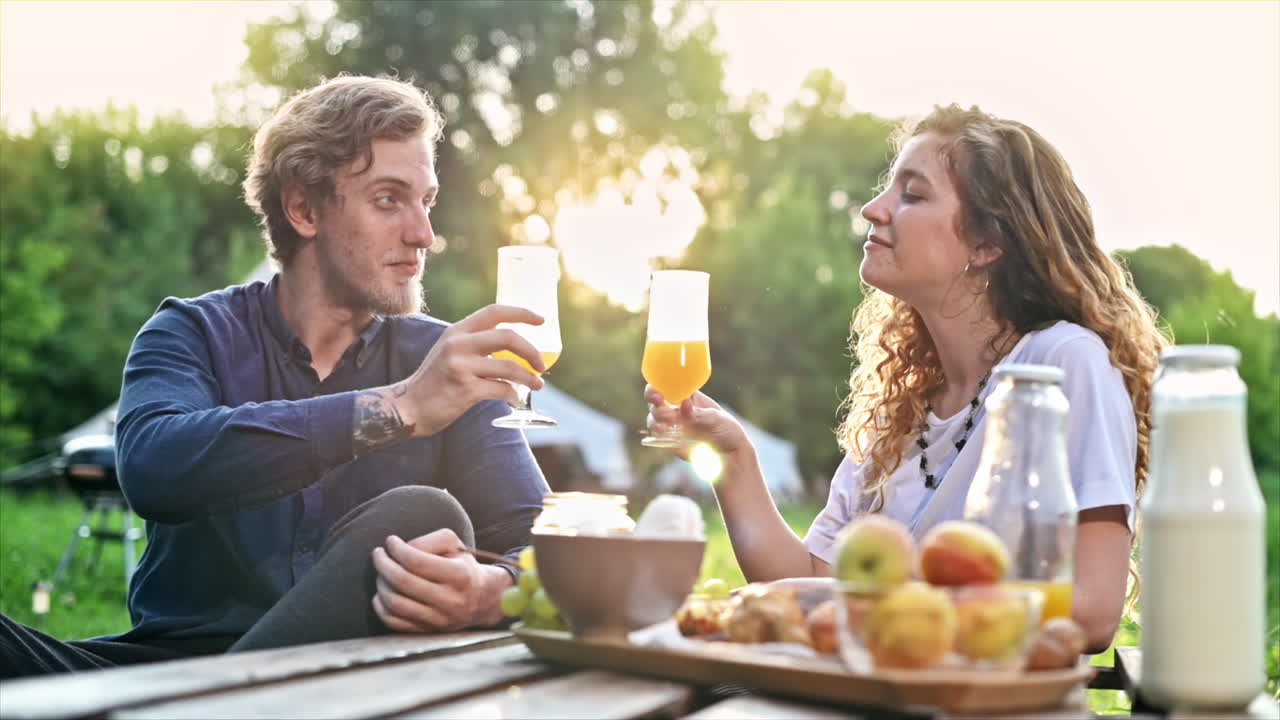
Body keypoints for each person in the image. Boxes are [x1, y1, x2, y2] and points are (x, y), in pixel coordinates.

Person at [0, 75, 552, 678]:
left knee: (417, 514)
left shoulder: (449, 362)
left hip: (359, 676)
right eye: (390, 199)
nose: (422, 233)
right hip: (166, 672)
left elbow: (546, 548)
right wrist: (397, 409)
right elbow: (154, 469)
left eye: (427, 201)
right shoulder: (191, 332)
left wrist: (487, 591)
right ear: (302, 209)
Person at [647, 104, 1164, 653]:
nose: (873, 209)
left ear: (988, 243)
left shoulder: (1061, 364)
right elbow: (805, 577)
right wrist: (733, 463)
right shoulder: (905, 404)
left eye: (913, 195)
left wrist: (875, 607)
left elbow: (1092, 611)